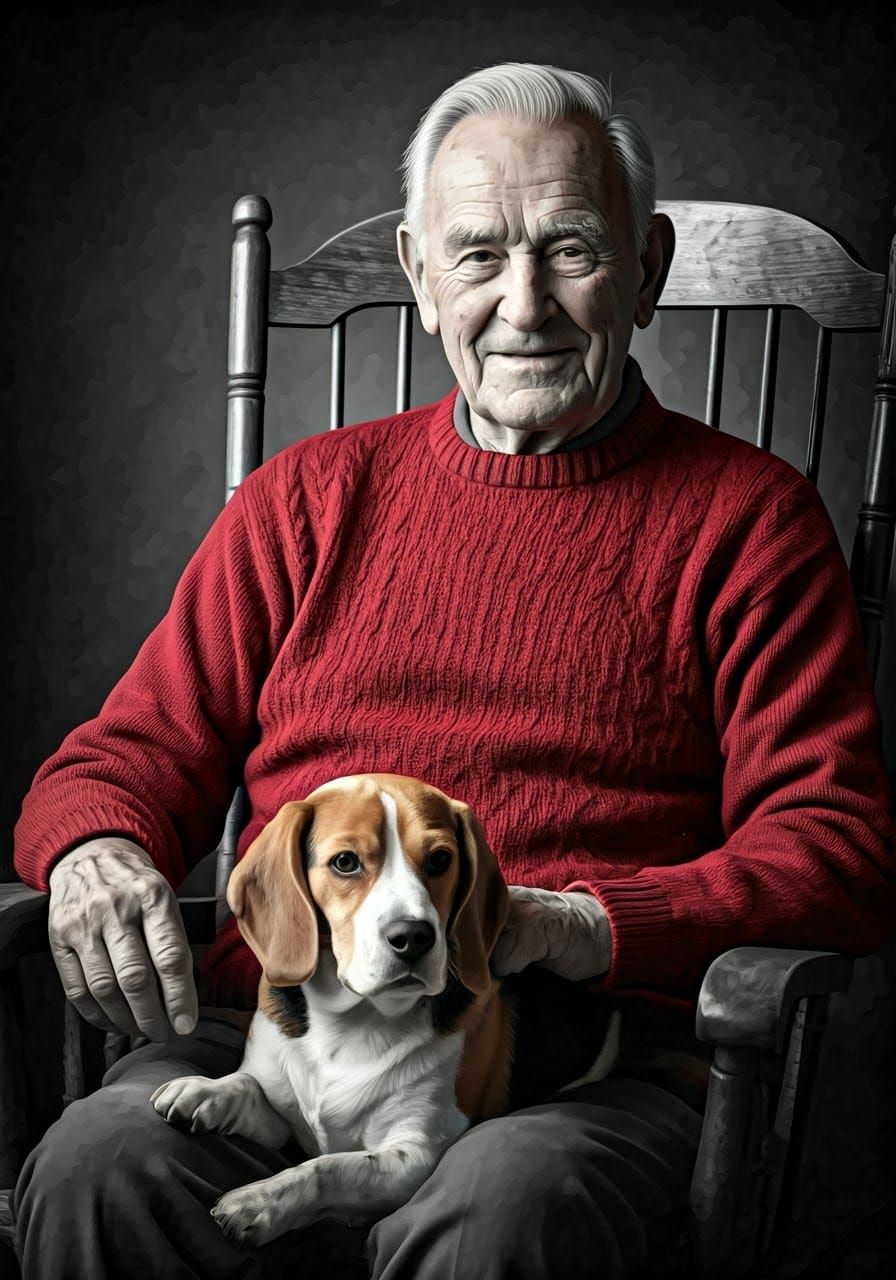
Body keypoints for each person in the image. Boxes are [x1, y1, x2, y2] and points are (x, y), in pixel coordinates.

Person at [12, 61, 896, 1280]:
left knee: (498, 1205)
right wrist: (94, 852)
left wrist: (583, 924)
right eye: (477, 255)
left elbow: (833, 848)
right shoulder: (306, 502)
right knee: (96, 1164)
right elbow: (121, 758)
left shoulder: (749, 525)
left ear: (645, 269)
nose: (522, 304)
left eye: (569, 249)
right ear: (423, 284)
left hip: (573, 1069)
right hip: (274, 1038)